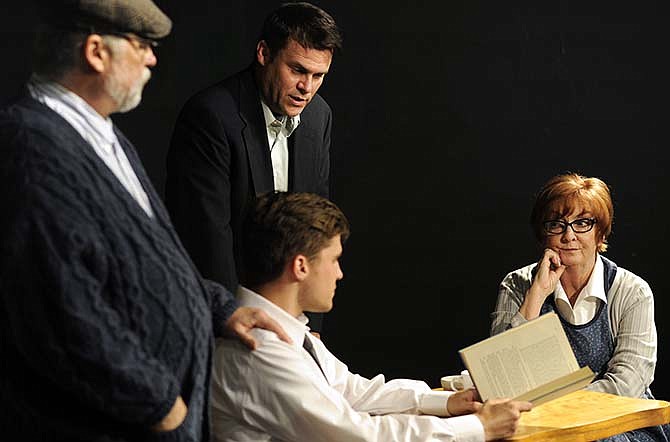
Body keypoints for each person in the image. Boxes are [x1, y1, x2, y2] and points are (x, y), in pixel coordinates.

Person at [0, 1, 289, 440]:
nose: (153, 58)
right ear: (96, 52)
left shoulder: (100, 133)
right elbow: (65, 314)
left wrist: (217, 308)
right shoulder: (33, 149)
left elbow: (152, 257)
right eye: (142, 44)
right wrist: (161, 407)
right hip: (116, 425)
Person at [211, 191, 532, 441]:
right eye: (334, 259)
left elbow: (352, 391)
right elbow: (360, 436)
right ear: (301, 266)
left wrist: (447, 403)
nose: (339, 274)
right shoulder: (259, 349)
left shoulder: (287, 331)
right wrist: (479, 427)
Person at [165, 2, 343, 333]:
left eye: (318, 76)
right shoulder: (211, 116)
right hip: (224, 319)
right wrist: (231, 318)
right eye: (297, 70)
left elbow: (316, 226)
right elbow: (205, 238)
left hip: (292, 316)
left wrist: (310, 324)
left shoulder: (319, 116)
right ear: (263, 53)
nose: (307, 88)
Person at [490, 172, 669, 441]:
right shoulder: (517, 284)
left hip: (616, 423)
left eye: (582, 223)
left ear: (600, 232)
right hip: (537, 424)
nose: (569, 235)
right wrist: (537, 295)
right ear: (543, 233)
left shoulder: (632, 291)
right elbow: (500, 373)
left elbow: (628, 383)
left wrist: (558, 408)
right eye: (556, 224)